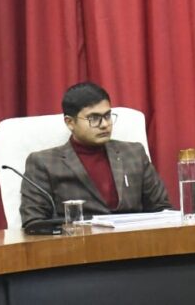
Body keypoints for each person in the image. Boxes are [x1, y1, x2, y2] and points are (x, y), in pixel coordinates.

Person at [20, 82, 171, 226]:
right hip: (79, 241)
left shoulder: (134, 153)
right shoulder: (44, 163)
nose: (104, 124)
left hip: (137, 240)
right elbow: (34, 222)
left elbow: (163, 210)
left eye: (107, 116)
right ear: (70, 122)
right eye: (94, 118)